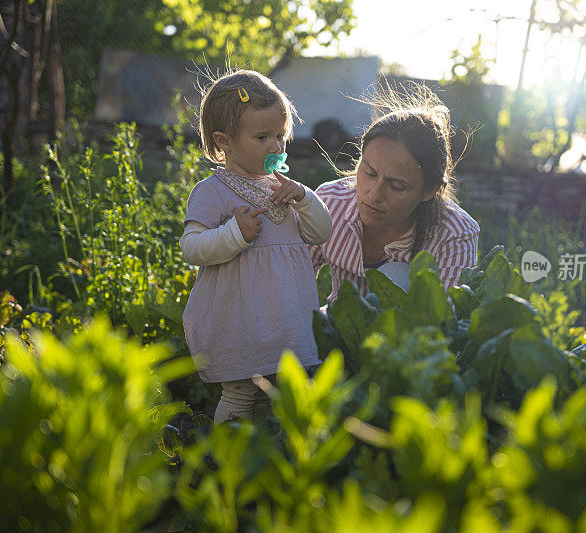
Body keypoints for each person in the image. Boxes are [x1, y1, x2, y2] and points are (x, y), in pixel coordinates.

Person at [180, 70, 332, 422]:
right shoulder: (212, 191)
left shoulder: (283, 187)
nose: (275, 147)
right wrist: (235, 233)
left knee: (289, 390)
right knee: (242, 393)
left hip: (287, 317)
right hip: (242, 319)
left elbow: (320, 233)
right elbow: (191, 247)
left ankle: (277, 453)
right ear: (224, 141)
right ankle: (227, 458)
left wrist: (306, 199)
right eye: (262, 137)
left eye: (280, 136)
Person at [309, 84, 479, 300]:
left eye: (396, 186)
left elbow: (446, 318)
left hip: (407, 332)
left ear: (430, 190)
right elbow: (290, 279)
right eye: (370, 173)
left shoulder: (454, 233)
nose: (374, 195)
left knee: (396, 275)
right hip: (337, 326)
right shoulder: (329, 203)